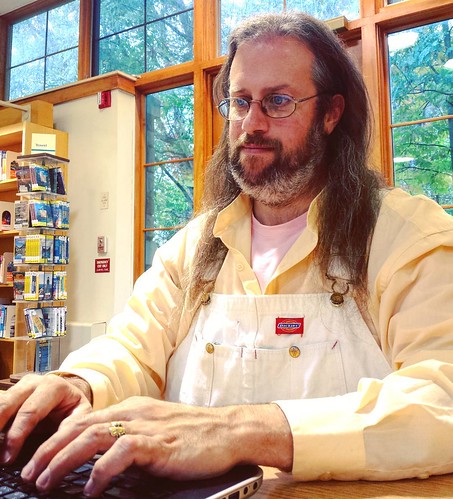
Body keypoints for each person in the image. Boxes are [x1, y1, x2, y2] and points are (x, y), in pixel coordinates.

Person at [1, 10, 453, 497]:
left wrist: (239, 432)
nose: (251, 124)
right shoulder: (195, 246)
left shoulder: (405, 237)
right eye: (240, 102)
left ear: (331, 112)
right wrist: (80, 384)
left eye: (278, 101)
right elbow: (132, 349)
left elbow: (441, 397)